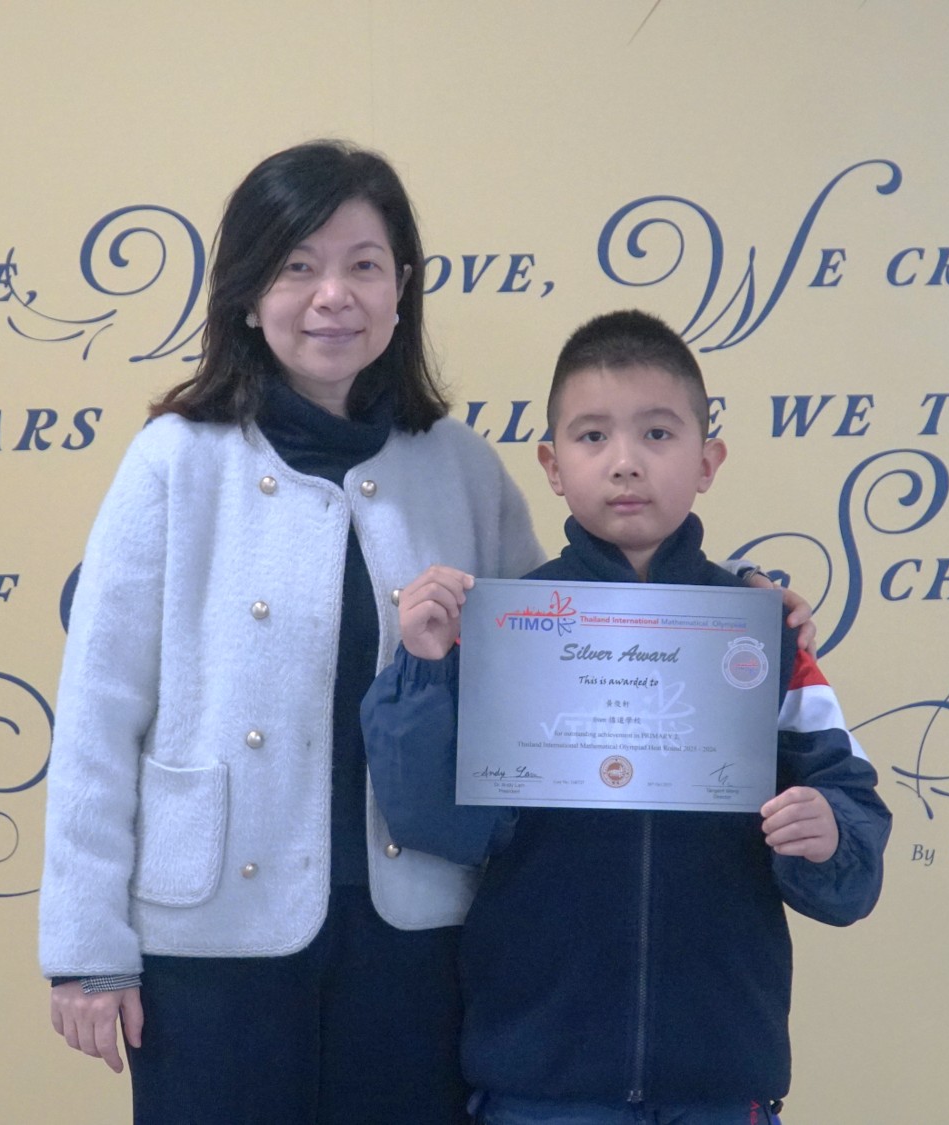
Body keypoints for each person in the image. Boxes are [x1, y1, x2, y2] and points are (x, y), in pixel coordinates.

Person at [38, 142, 818, 1125]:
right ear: (245, 292)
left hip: (419, 938)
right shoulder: (173, 463)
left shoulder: (458, 467)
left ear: (402, 289)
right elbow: (99, 715)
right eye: (297, 265)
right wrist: (86, 950)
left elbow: (575, 644)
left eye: (363, 265)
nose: (333, 296)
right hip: (210, 934)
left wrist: (730, 609)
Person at [362, 309, 891, 1125]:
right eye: (592, 435)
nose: (625, 461)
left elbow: (852, 854)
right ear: (551, 464)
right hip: (540, 1073)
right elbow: (439, 823)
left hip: (718, 1075)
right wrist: (424, 666)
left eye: (657, 433)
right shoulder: (504, 629)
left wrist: (830, 831)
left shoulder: (764, 630)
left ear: (708, 460)